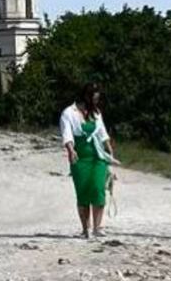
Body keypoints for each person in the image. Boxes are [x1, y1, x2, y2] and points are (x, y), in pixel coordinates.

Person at [60, 82, 119, 239]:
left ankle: (98, 227)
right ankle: (86, 228)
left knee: (98, 189)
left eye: (97, 99)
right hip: (80, 157)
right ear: (86, 97)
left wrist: (109, 149)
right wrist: (71, 150)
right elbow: (67, 135)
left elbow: (102, 133)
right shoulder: (68, 113)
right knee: (83, 192)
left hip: (97, 156)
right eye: (94, 98)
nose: (96, 102)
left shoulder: (96, 113)